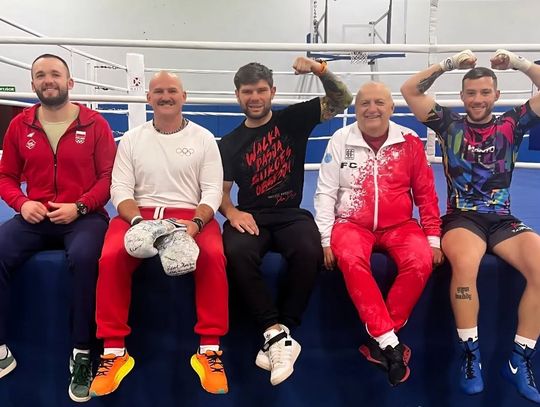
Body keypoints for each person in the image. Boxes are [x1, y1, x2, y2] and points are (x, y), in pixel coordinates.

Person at [401, 49, 540, 402]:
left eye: (485, 92)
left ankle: (519, 358)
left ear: (496, 94)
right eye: (472, 93)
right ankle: (470, 354)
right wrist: (447, 65)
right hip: (462, 217)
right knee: (465, 266)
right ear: (462, 97)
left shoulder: (511, 124)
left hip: (503, 219)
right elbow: (410, 90)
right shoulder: (449, 124)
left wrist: (519, 64)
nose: (478, 99)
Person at [89, 71, 229, 397]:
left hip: (190, 214)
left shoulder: (204, 138)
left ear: (184, 96)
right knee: (110, 257)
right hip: (139, 214)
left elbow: (211, 191)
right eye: (159, 91)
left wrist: (196, 224)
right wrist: (139, 223)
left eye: (172, 91)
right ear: (148, 97)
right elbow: (120, 189)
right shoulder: (132, 139)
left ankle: (209, 349)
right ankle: (114, 352)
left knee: (213, 256)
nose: (166, 96)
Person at [218, 56, 352, 385]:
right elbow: (220, 191)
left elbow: (342, 99)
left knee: (309, 250)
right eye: (247, 91)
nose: (254, 97)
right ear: (237, 95)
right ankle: (273, 330)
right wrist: (232, 212)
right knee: (235, 252)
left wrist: (319, 69)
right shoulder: (230, 143)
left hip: (291, 214)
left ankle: (281, 334)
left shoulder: (293, 119)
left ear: (272, 92)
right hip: (252, 215)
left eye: (261, 90)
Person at [0, 53, 116, 402]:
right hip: (34, 215)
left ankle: (83, 352)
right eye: (40, 75)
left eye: (54, 74)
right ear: (33, 84)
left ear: (70, 82)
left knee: (86, 259)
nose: (47, 80)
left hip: (84, 217)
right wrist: (22, 203)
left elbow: (108, 177)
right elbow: (6, 176)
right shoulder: (19, 125)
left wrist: (79, 206)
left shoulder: (95, 124)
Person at [314, 81, 443, 386]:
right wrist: (325, 238)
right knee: (350, 259)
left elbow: (426, 194)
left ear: (392, 108)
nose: (372, 109)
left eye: (379, 103)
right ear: (355, 109)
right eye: (364, 103)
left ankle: (380, 340)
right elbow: (326, 192)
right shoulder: (340, 139)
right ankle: (391, 343)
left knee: (421, 260)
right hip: (351, 224)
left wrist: (433, 238)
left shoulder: (409, 141)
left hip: (400, 226)